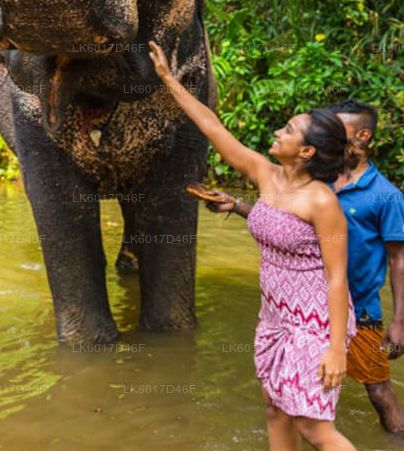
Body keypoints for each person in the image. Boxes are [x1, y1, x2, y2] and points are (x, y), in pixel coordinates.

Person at [149, 43, 357, 451]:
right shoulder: (266, 174)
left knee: (314, 429)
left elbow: (336, 278)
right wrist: (169, 80)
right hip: (275, 316)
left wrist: (337, 350)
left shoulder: (322, 202)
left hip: (314, 323)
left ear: (307, 151)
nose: (277, 133)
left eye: (288, 131)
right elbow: (213, 129)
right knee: (275, 409)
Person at [203, 99, 404, 434]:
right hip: (301, 311)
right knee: (292, 407)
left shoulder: (383, 196)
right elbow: (287, 227)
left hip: (356, 309)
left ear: (362, 136)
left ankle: (401, 441)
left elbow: (398, 259)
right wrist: (239, 206)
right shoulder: (319, 181)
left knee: (377, 389)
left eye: (338, 131)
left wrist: (400, 320)